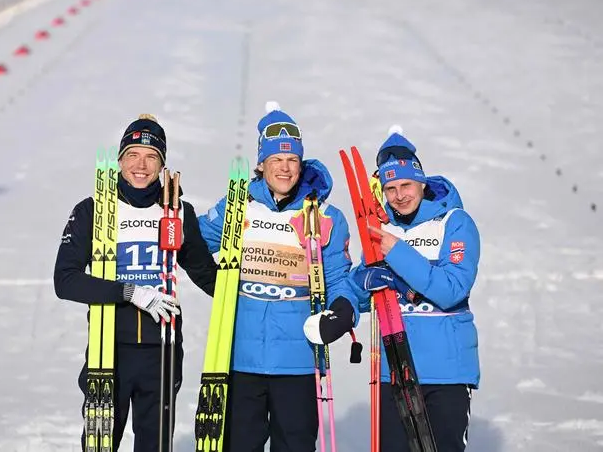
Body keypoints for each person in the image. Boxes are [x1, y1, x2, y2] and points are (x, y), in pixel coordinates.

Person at [197, 102, 360, 452]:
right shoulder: (237, 206)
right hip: (241, 358)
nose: (285, 169)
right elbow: (194, 241)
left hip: (298, 360)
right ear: (261, 164)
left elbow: (338, 277)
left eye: (292, 161)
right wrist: (214, 283)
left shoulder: (325, 215)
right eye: (276, 161)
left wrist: (343, 310)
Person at [53, 114, 218, 452]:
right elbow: (65, 281)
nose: (141, 165)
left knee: (155, 445)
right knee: (100, 445)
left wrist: (252, 287)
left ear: (162, 164)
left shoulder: (177, 211)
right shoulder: (93, 211)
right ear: (120, 159)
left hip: (163, 351)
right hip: (109, 349)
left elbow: (206, 274)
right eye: (133, 155)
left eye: (151, 157)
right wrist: (128, 292)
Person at [350, 126, 481, 452]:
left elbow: (451, 289)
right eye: (390, 188)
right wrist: (362, 282)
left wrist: (396, 251)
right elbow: (360, 292)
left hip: (445, 372)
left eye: (406, 184)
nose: (400, 195)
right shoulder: (381, 228)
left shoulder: (454, 222)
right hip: (394, 368)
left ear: (421, 182)